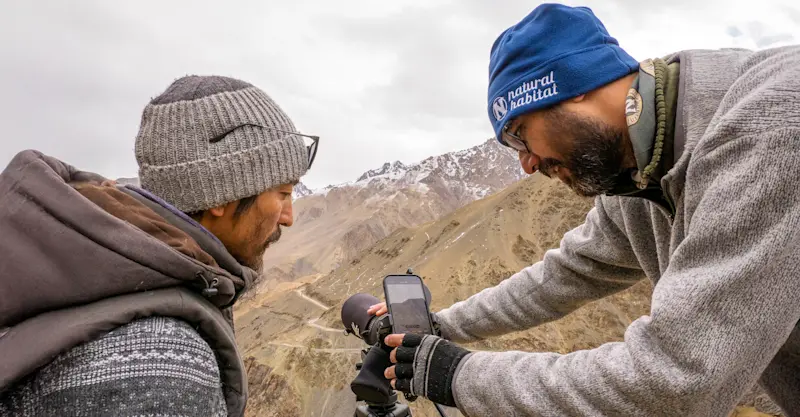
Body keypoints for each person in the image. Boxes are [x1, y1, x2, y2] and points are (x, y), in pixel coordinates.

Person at [368, 3, 800, 416]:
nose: (528, 164)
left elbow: (678, 381)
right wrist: (440, 326)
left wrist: (455, 374)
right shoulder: (639, 166)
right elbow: (569, 273)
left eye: (520, 134)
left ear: (574, 87)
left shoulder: (768, 133)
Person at [0, 75, 319, 416]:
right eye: (283, 194)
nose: (288, 217)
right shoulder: (165, 369)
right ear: (220, 196)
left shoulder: (101, 261)